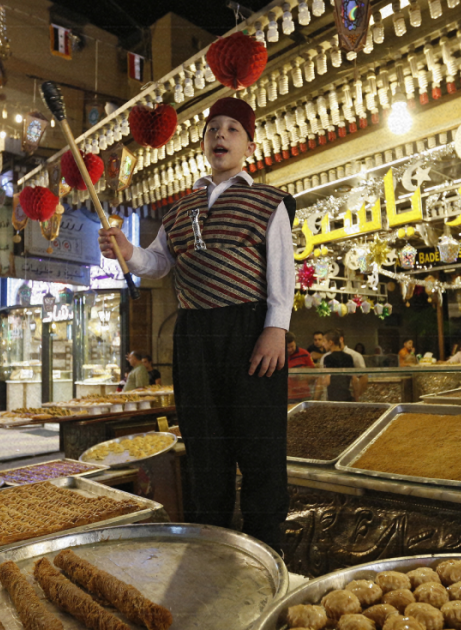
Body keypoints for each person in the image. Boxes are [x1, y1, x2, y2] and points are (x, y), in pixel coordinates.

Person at [97, 96, 294, 549]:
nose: (220, 135)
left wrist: (275, 327)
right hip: (193, 335)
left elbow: (282, 264)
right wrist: (128, 252)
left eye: (232, 129)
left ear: (250, 145)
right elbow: (159, 262)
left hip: (250, 332)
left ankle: (269, 547)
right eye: (212, 129)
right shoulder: (180, 209)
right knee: (206, 446)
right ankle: (214, 545)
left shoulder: (269, 201)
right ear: (203, 143)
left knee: (260, 445)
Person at [321, 337, 358, 402]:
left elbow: (327, 380)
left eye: (324, 341)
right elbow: (354, 380)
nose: (323, 344)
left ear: (330, 342)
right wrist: (357, 398)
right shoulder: (348, 357)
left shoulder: (327, 358)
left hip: (333, 397)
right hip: (347, 396)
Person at [285, 331, 315, 403]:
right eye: (287, 347)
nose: (289, 350)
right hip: (286, 394)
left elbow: (313, 373)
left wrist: (301, 375)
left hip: (303, 394)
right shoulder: (279, 355)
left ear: (295, 342)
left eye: (292, 346)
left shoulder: (304, 354)